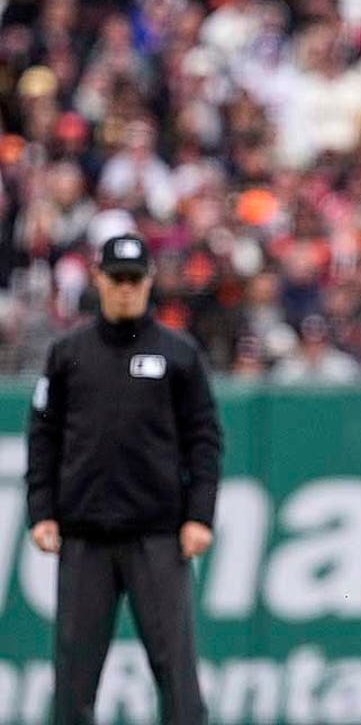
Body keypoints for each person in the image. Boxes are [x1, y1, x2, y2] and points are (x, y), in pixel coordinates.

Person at [27, 234, 222, 725]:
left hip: (157, 535)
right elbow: (43, 435)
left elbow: (204, 439)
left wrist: (199, 515)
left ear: (149, 281)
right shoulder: (68, 353)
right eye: (117, 278)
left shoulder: (178, 353)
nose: (126, 288)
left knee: (177, 675)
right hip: (85, 535)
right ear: (99, 279)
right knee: (73, 679)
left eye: (135, 279)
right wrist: (41, 510)